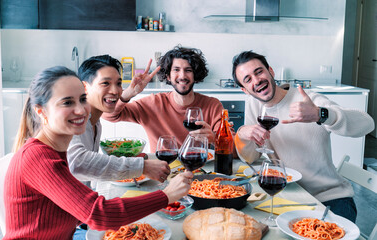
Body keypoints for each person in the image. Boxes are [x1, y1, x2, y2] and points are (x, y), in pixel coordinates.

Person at [5, 66, 193, 239]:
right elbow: (99, 214)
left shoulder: (54, 151)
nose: (80, 110)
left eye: (82, 99)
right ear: (41, 112)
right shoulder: (37, 157)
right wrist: (167, 195)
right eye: (67, 102)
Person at [232, 50, 374, 222]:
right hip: (290, 196)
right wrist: (243, 134)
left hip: (330, 199)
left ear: (271, 71)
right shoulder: (254, 105)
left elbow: (367, 124)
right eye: (248, 79)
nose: (256, 80)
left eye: (259, 71)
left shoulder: (308, 101)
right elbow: (251, 157)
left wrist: (320, 114)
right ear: (244, 90)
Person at [67, 55, 169, 186]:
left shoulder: (95, 122)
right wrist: (142, 167)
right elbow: (77, 163)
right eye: (105, 83)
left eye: (119, 84)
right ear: (84, 87)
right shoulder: (73, 119)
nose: (115, 91)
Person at [102, 46, 225, 152]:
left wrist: (215, 139)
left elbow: (234, 148)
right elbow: (109, 115)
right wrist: (127, 94)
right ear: (168, 76)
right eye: (176, 70)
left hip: (199, 172)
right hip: (161, 170)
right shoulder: (152, 103)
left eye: (188, 70)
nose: (182, 76)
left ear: (196, 76)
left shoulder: (212, 105)